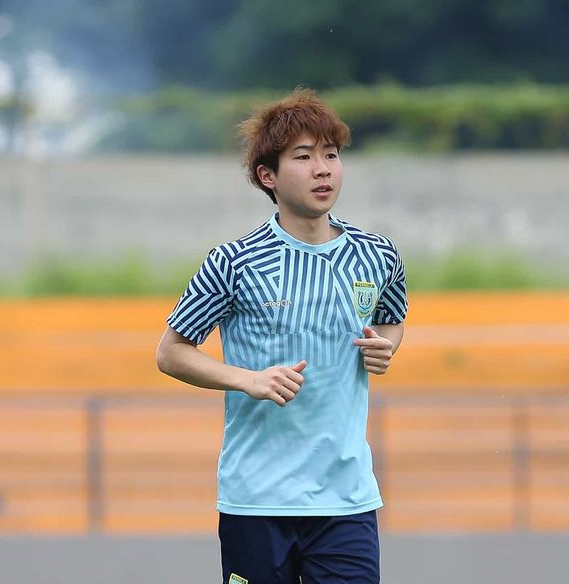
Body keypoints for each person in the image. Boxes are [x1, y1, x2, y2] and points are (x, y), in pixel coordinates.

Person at [156, 88, 408, 584]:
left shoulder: (378, 255)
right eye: (304, 157)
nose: (323, 169)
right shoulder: (233, 262)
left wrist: (385, 345)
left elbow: (390, 320)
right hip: (256, 500)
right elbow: (171, 353)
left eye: (331, 155)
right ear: (267, 176)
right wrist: (248, 380)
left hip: (347, 499)